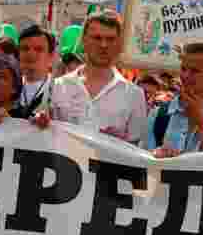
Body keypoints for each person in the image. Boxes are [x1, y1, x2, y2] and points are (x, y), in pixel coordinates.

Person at [54, 12, 145, 143]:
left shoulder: (134, 95)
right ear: (84, 41)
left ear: (119, 44)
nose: (103, 45)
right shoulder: (58, 86)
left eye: (110, 39)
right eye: (97, 38)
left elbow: (136, 150)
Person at [147, 43, 203, 156]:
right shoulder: (158, 114)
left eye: (195, 71)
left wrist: (200, 121)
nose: (185, 75)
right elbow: (143, 160)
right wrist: (156, 155)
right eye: (183, 69)